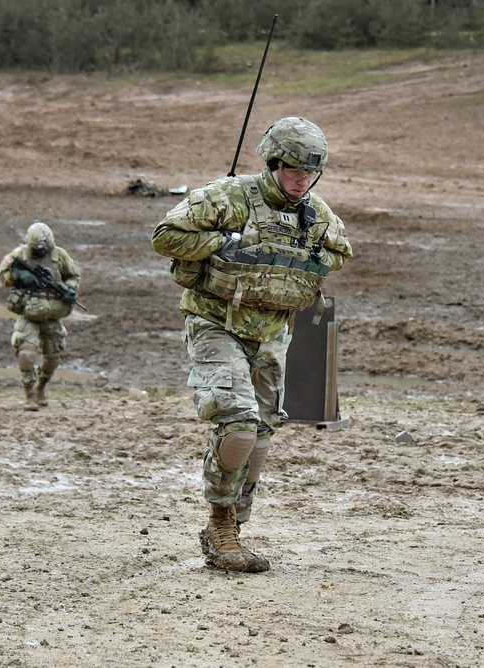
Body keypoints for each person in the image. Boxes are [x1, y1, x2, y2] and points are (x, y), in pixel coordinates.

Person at [151, 117, 353, 572]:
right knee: (239, 423)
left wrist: (304, 258)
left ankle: (233, 530)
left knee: (261, 435)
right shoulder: (229, 197)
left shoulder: (314, 214)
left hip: (271, 332)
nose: (302, 181)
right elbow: (166, 236)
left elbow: (341, 253)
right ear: (273, 161)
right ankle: (219, 526)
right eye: (294, 172)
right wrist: (226, 241)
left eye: (310, 174)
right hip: (215, 323)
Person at [0, 220, 82, 412]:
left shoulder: (60, 255)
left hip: (53, 310)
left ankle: (40, 386)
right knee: (27, 353)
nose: (40, 253)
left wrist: (71, 289)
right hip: (28, 310)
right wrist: (19, 277)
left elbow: (73, 276)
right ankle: (30, 394)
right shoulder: (18, 255)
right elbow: (3, 275)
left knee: (53, 357)